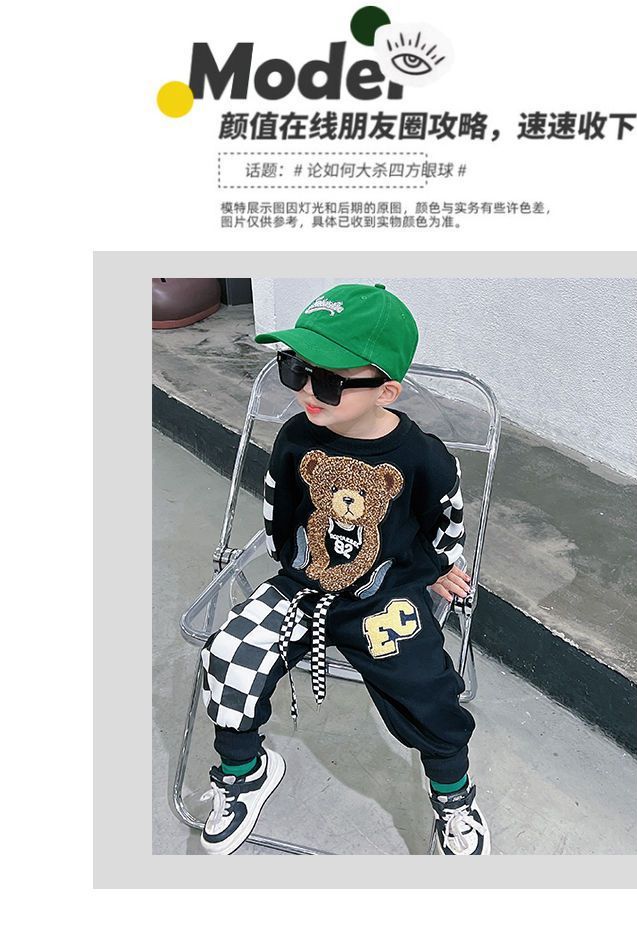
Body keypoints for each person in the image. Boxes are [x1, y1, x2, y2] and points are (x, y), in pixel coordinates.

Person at [199, 283, 490, 856]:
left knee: (427, 688)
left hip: (385, 595)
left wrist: (437, 565)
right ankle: (245, 771)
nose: (308, 389)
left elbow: (445, 516)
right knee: (229, 654)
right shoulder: (295, 438)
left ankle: (453, 794)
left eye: (330, 381)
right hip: (302, 584)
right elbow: (279, 505)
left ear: (387, 390)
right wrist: (290, 566)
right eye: (295, 368)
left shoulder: (422, 457)